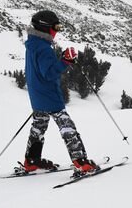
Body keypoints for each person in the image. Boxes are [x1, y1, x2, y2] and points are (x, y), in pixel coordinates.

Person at [22, 10, 98, 173]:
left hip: (36, 95)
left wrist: (62, 59)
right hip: (49, 96)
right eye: (56, 27)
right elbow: (49, 73)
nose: (57, 31)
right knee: (67, 127)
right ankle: (81, 162)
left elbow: (40, 69)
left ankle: (32, 161)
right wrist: (65, 61)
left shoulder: (33, 44)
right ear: (45, 28)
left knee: (39, 126)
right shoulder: (44, 49)